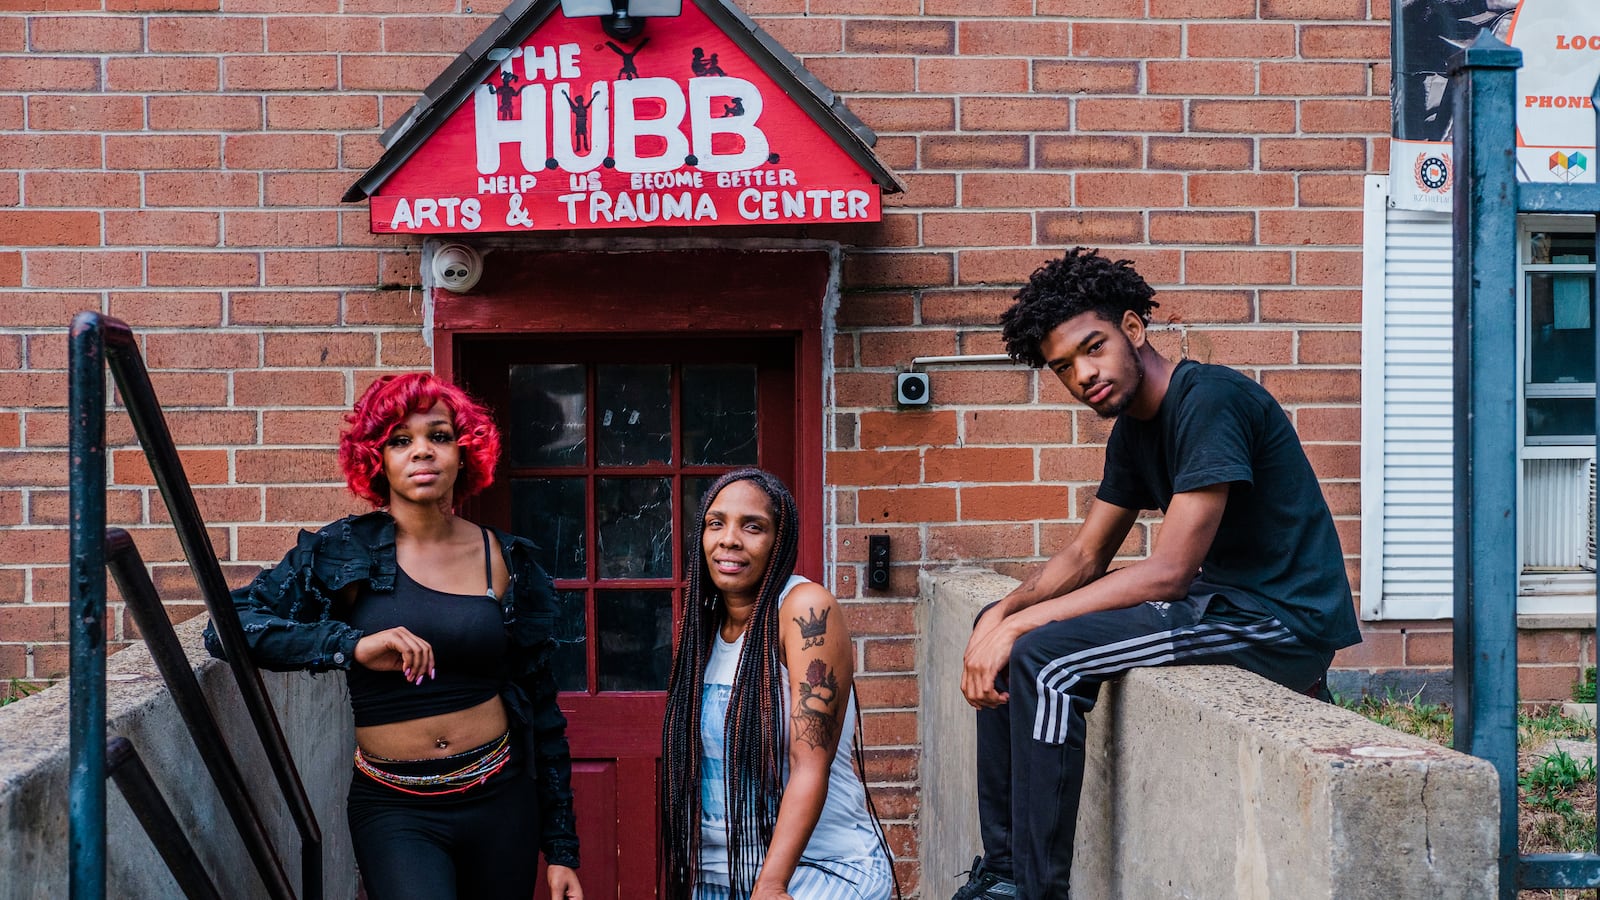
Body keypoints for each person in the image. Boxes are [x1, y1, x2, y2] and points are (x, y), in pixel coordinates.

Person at [951, 249, 1362, 900]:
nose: (1083, 374)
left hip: (1280, 622)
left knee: (1046, 659)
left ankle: (1036, 890)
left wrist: (1025, 624)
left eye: (1092, 348)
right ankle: (1002, 872)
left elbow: (1170, 571)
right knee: (998, 628)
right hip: (1222, 607)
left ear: (1134, 329)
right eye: (1064, 367)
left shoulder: (1212, 401)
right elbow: (1086, 556)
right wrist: (999, 617)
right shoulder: (1134, 432)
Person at [203, 373, 583, 900]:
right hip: (396, 809)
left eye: (439, 436)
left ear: (464, 451)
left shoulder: (507, 558)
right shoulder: (344, 551)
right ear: (375, 458)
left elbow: (541, 705)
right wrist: (349, 645)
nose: (422, 452)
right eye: (401, 440)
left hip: (501, 797)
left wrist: (561, 848)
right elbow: (228, 627)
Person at [660, 468, 897, 900]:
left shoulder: (805, 611)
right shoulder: (700, 625)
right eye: (717, 523)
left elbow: (810, 765)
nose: (730, 539)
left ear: (779, 541)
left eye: (753, 527)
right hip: (715, 877)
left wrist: (770, 885)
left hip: (817, 871)